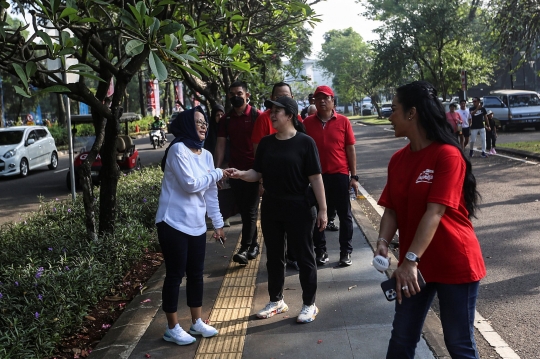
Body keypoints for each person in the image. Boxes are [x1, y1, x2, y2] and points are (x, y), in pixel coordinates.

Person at [376, 81, 486, 358]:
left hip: (452, 260)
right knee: (401, 340)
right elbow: (391, 209)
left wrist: (410, 260)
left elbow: (434, 212)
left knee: (459, 344)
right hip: (414, 267)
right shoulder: (398, 160)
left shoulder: (447, 155)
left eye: (394, 110)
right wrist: (382, 241)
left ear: (412, 113)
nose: (390, 116)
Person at [225, 96, 327, 323]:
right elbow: (256, 173)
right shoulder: (267, 143)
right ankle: (276, 301)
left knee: (305, 256)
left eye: (277, 111)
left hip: (299, 206)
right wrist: (241, 174)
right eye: (271, 110)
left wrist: (323, 209)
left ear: (290, 115)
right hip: (272, 206)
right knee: (274, 257)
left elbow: (316, 178)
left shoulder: (305, 142)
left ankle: (310, 304)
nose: (271, 114)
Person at [155, 106, 226, 346]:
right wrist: (217, 173)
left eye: (205, 122)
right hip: (172, 222)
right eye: (198, 122)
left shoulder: (205, 155)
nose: (204, 125)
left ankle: (196, 322)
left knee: (196, 274)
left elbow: (211, 193)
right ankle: (172, 327)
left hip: (196, 224)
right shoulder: (177, 150)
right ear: (187, 125)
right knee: (175, 274)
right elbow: (190, 184)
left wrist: (218, 224)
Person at [304, 85, 359, 267]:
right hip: (316, 177)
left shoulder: (343, 121)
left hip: (340, 175)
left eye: (326, 98)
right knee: (318, 214)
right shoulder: (307, 123)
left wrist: (354, 176)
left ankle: (346, 252)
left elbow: (350, 149)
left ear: (332, 101)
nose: (322, 101)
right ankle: (321, 251)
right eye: (318, 98)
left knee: (345, 215)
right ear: (314, 101)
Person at [214, 81, 262, 265]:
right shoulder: (226, 120)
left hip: (254, 170)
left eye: (239, 93)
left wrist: (263, 173)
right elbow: (220, 145)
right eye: (232, 93)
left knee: (249, 210)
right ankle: (254, 245)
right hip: (234, 172)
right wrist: (217, 171)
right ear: (228, 96)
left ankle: (244, 248)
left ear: (247, 95)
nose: (236, 96)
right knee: (244, 210)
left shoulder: (257, 116)